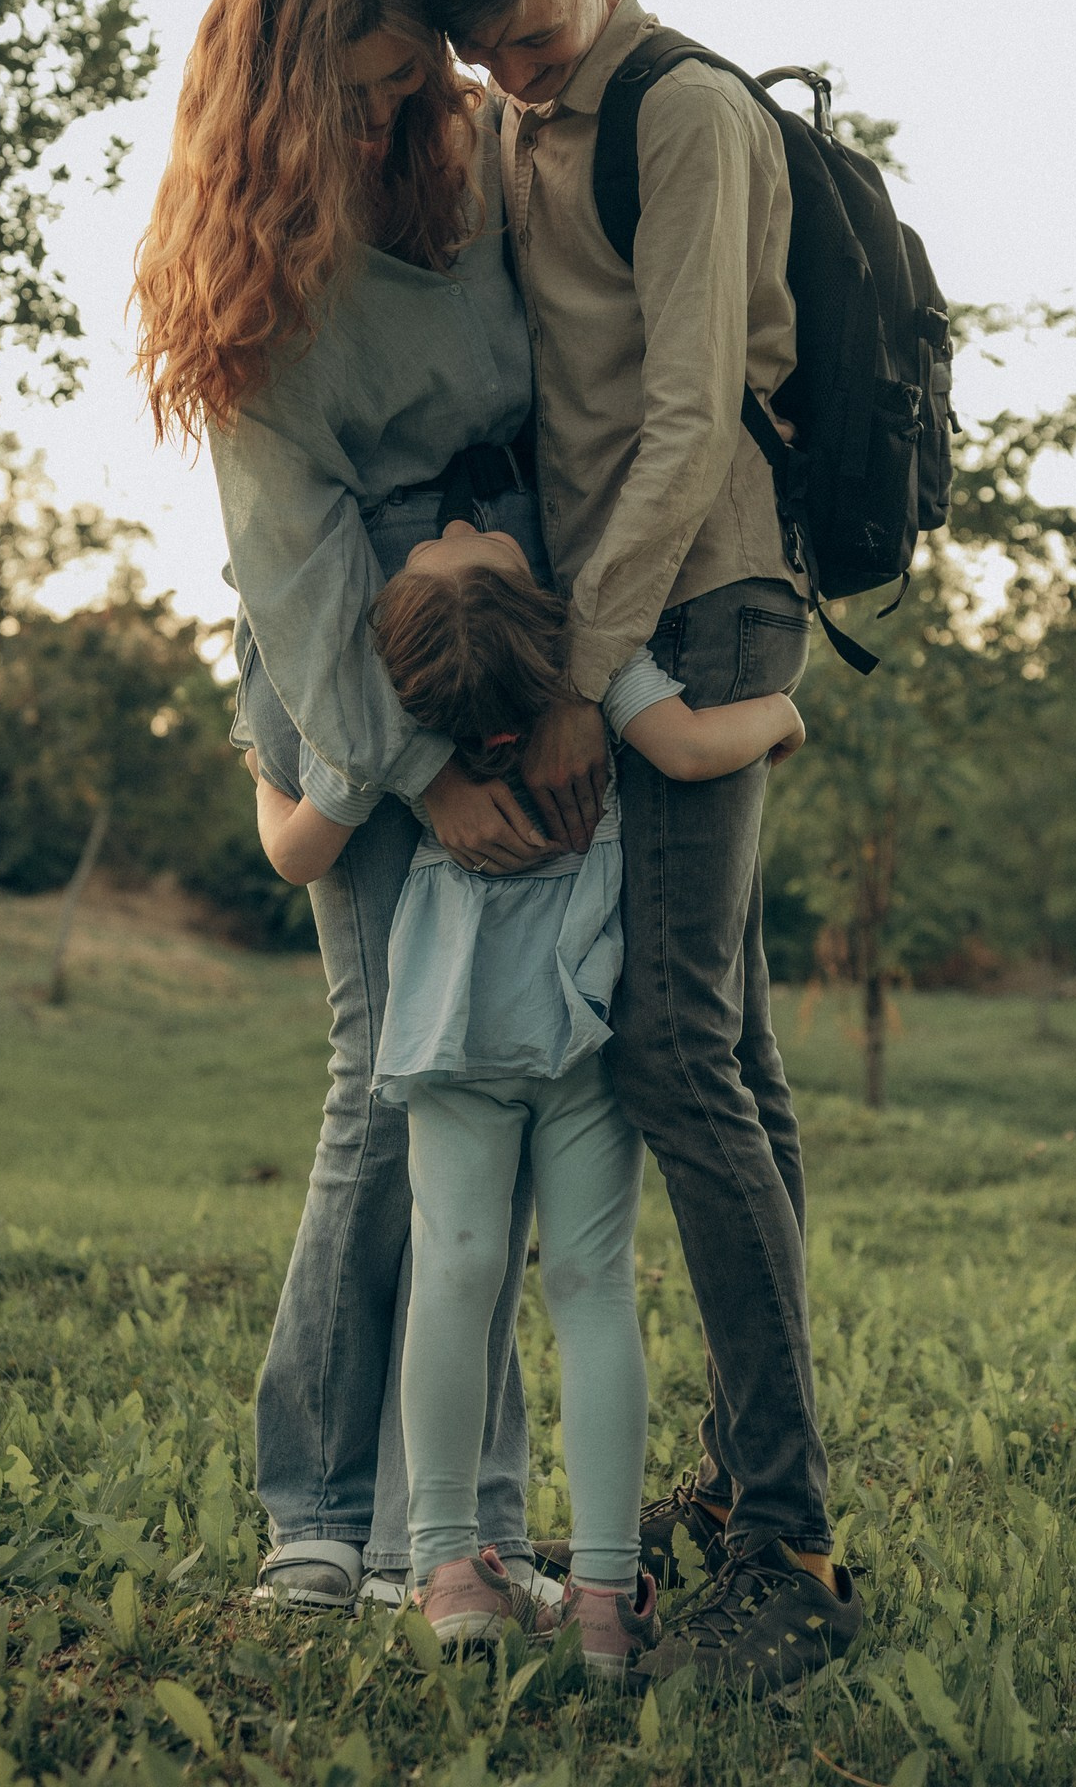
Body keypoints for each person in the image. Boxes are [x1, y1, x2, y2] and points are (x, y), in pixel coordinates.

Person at [412, 0, 865, 1691]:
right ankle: (763, 1493)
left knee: (676, 1049)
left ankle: (794, 1552)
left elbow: (685, 427)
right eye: (491, 59)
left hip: (711, 596)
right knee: (728, 1052)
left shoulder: (682, 114)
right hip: (613, 608)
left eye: (534, 40)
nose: (518, 79)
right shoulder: (521, 117)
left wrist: (592, 673)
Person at [134, 0, 607, 1609]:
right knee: (380, 1081)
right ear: (266, 85)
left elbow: (567, 406)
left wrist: (565, 689)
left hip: (513, 631)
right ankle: (319, 1514)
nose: (379, 120)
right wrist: (419, 776)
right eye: (345, 92)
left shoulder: (477, 162)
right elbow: (298, 565)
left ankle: (463, 1526)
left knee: (495, 1078)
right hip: (355, 662)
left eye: (403, 83)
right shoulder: (249, 257)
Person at [245, 513, 805, 1679]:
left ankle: (451, 1573)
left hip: (454, 1031)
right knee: (593, 1287)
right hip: (583, 1030)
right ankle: (606, 1600)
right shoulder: (589, 681)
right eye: (467, 545)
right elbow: (700, 750)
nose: (459, 520)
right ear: (543, 617)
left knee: (455, 1270)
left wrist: (260, 769)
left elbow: (299, 853)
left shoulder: (392, 718)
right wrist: (785, 714)